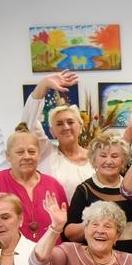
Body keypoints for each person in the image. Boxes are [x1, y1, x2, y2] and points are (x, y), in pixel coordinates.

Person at [64, 129, 132, 256]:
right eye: (103, 156)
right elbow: (69, 233)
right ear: (94, 160)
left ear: (123, 161)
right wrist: (95, 225)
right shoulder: (84, 190)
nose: (109, 161)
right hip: (97, 263)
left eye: (115, 156)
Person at [0, 126, 68, 243]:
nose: (27, 157)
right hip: (8, 257)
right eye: (20, 152)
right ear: (8, 155)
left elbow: (65, 227)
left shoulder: (53, 184)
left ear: (39, 154)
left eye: (31, 152)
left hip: (51, 256)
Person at [19, 70, 93, 199]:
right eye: (59, 124)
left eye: (70, 122)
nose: (66, 127)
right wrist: (43, 85)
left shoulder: (95, 158)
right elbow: (28, 123)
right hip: (57, 218)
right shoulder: (46, 152)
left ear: (80, 127)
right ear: (52, 132)